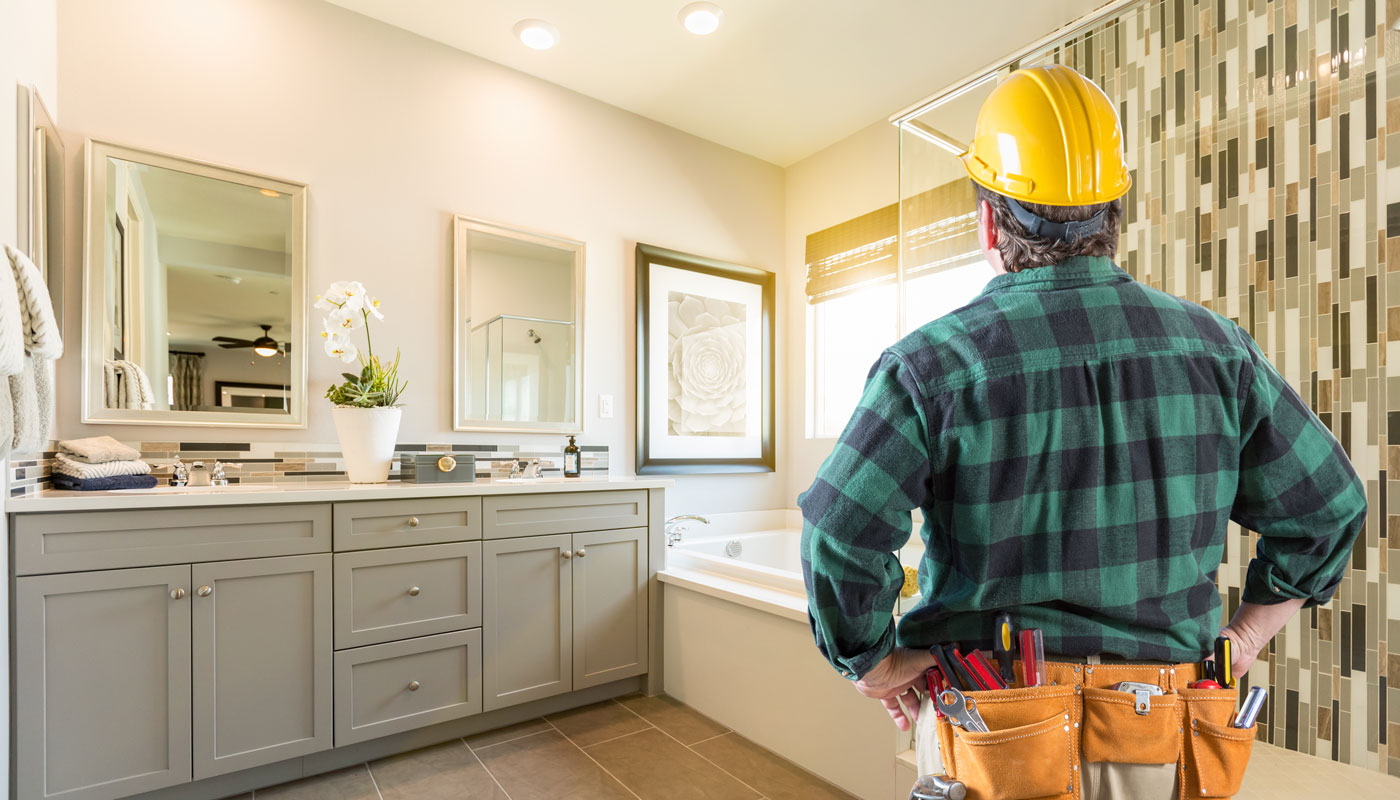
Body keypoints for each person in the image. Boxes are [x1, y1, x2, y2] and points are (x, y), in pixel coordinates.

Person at [798, 64, 1365, 799]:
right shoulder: (1216, 352)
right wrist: (1248, 635)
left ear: (987, 219)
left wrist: (875, 664)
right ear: (1114, 218)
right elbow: (1330, 509)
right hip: (1165, 737)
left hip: (993, 734)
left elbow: (838, 535)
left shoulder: (930, 366)